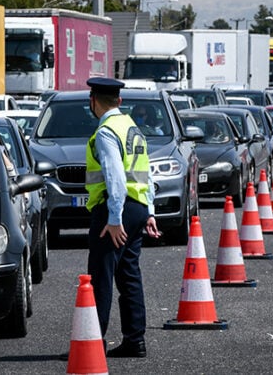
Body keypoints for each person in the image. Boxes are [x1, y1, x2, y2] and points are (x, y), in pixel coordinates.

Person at [85, 77, 161, 359]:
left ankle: (92, 343)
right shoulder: (132, 127)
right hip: (138, 207)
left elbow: (115, 177)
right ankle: (135, 341)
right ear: (119, 101)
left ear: (93, 101)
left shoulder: (106, 131)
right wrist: (149, 211)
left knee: (101, 277)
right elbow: (146, 172)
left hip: (114, 210)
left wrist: (114, 218)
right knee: (129, 276)